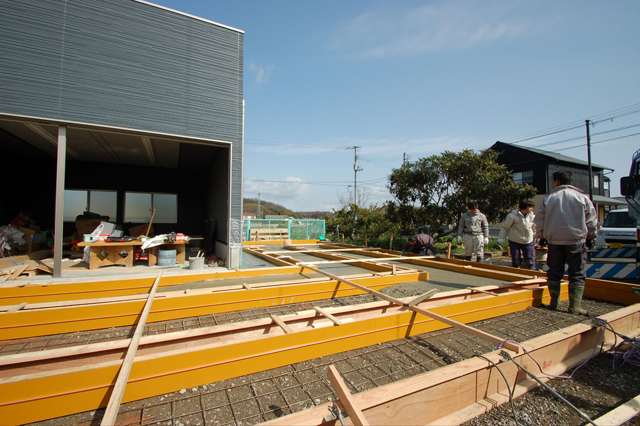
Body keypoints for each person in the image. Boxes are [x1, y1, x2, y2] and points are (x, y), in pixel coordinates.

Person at [534, 170, 597, 315]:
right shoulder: (582, 198)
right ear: (571, 182)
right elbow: (591, 221)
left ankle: (554, 303)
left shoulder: (549, 199)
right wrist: (591, 237)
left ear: (556, 182)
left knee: (554, 272)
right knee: (577, 273)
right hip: (576, 241)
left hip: (554, 241)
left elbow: (539, 220)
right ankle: (575, 306)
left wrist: (541, 236)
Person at [498, 200, 537, 270]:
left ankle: (532, 272)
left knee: (530, 259)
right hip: (515, 240)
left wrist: (536, 236)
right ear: (524, 207)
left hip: (528, 240)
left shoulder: (532, 216)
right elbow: (505, 227)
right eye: (530, 207)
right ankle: (516, 271)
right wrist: (501, 238)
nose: (532, 209)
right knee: (516, 259)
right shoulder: (512, 216)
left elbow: (535, 227)